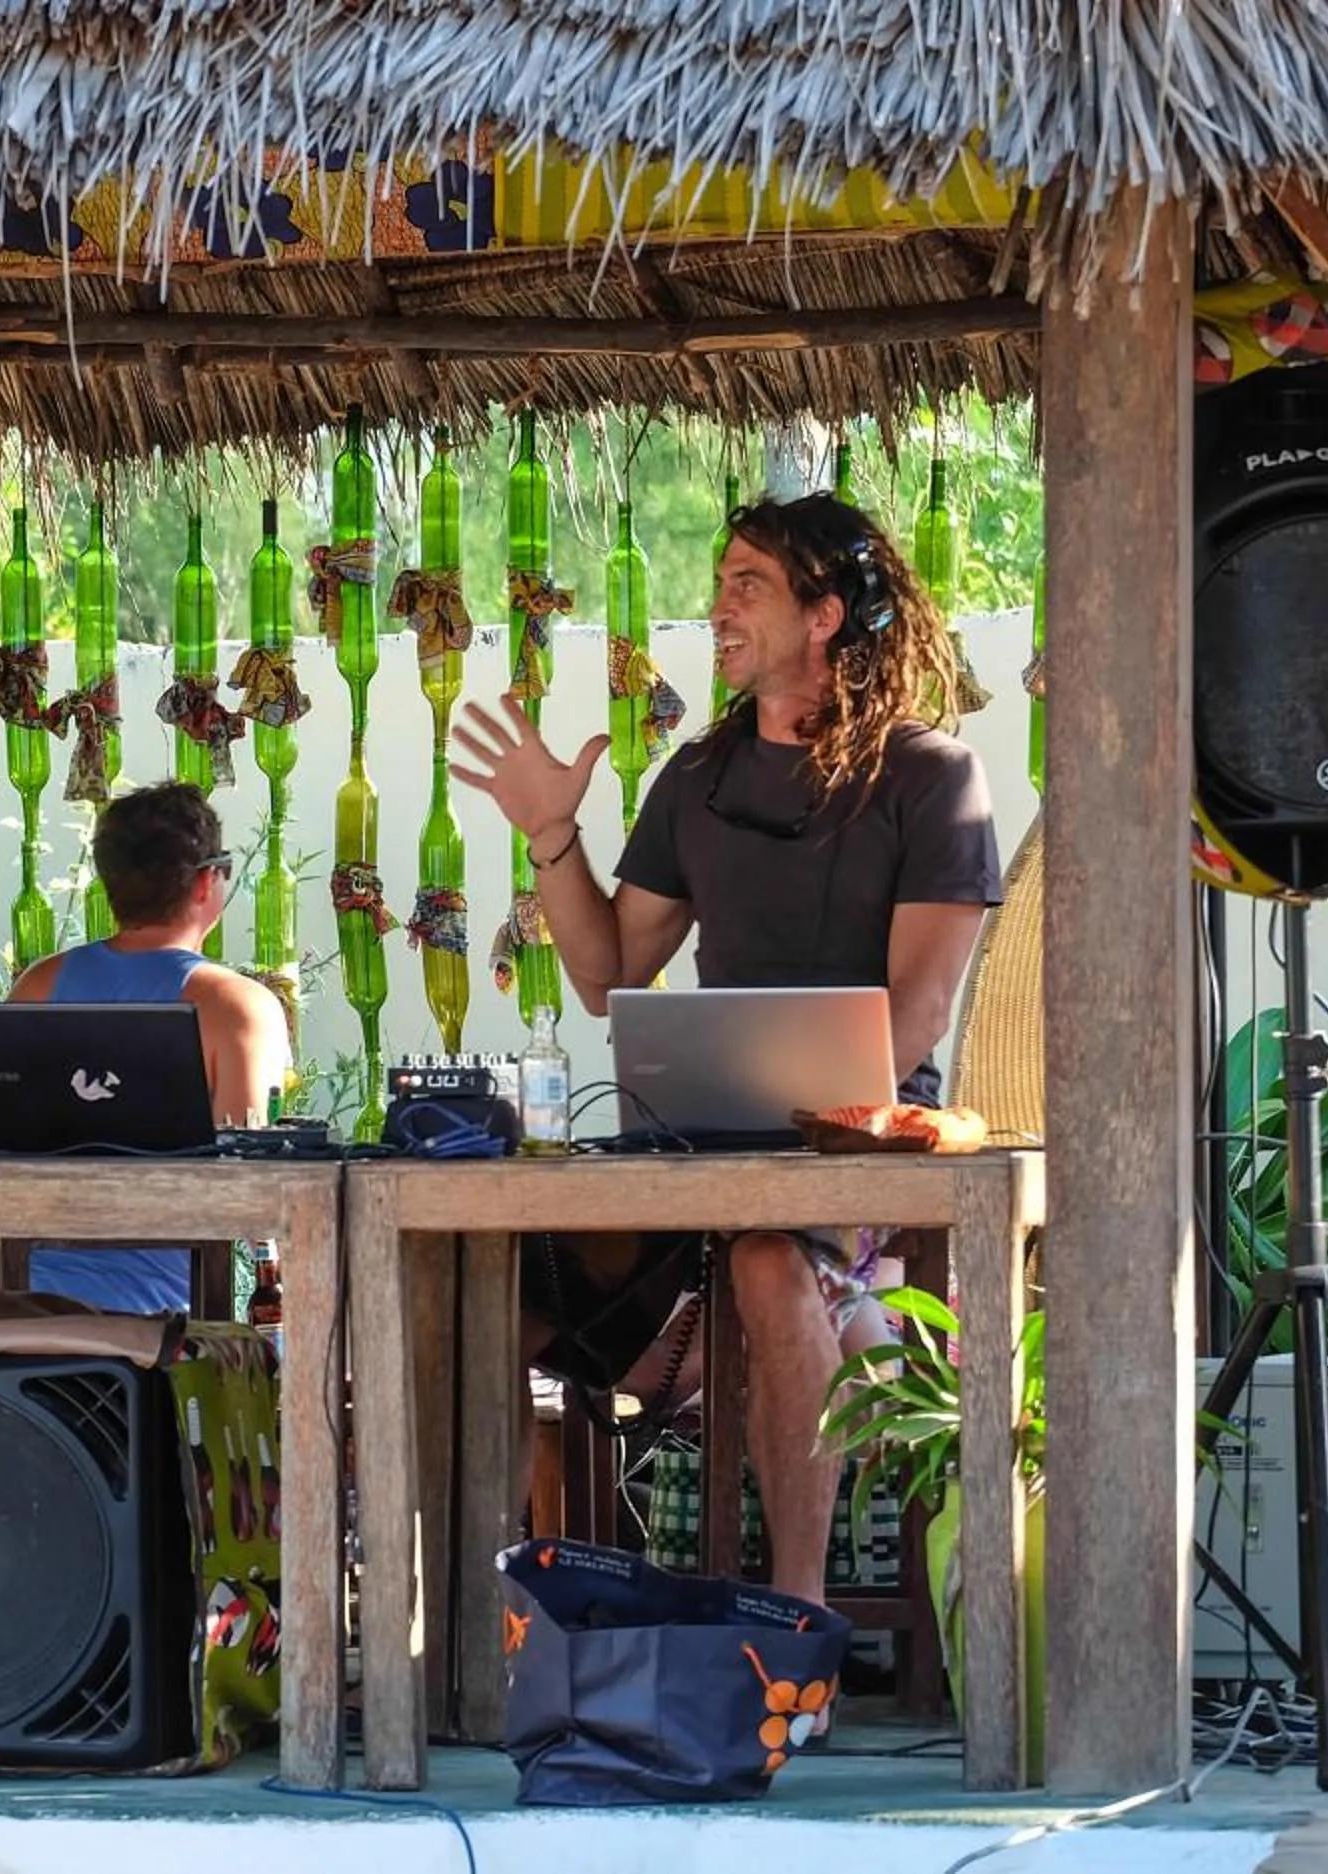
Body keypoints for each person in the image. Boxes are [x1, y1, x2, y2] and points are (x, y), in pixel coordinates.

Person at [451, 491, 1001, 1605]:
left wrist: (809, 1126)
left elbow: (917, 1016)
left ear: (824, 615)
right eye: (721, 583)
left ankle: (794, 1618)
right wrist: (552, 836)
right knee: (485, 1274)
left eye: (747, 583)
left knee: (763, 1256)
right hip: (693, 1142)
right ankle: (496, 1618)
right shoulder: (697, 778)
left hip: (868, 1154)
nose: (718, 607)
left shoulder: (932, 777)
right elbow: (611, 976)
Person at [6, 781, 292, 1313]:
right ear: (208, 881)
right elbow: (252, 1192)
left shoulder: (37, 988)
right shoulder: (237, 1009)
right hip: (160, 1329)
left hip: (15, 1309)